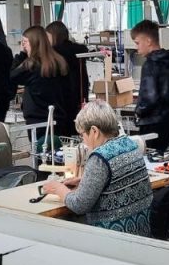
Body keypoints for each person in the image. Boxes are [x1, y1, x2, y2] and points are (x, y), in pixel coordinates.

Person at [43, 100, 153, 236]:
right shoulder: (130, 144)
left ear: (94, 131)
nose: (83, 140)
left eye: (82, 135)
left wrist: (58, 189)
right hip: (141, 232)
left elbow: (79, 205)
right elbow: (117, 180)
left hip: (113, 237)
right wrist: (84, 181)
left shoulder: (100, 157)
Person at [131, 20, 169, 153]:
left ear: (148, 41)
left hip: (151, 123)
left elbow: (149, 98)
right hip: (168, 121)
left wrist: (138, 112)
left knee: (149, 159)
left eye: (138, 43)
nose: (137, 48)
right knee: (160, 157)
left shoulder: (150, 64)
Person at [9, 26, 72, 133]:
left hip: (36, 119)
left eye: (25, 42)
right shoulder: (59, 62)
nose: (23, 45)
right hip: (58, 116)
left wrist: (22, 54)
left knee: (39, 143)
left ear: (34, 43)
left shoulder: (31, 65)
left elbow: (13, 76)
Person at [47, 21, 91, 123]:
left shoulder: (54, 53)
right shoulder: (78, 50)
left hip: (62, 94)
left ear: (55, 36)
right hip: (80, 92)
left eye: (48, 36)